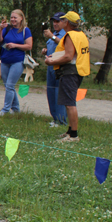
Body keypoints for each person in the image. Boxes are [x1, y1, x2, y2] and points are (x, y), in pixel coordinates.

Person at [44, 11, 89, 142]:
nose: (60, 22)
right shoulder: (81, 35)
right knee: (68, 102)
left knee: (69, 104)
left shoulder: (70, 36)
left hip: (70, 72)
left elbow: (68, 56)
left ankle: (74, 135)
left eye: (63, 20)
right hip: (78, 70)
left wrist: (51, 62)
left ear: (67, 23)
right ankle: (69, 131)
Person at [0, 9, 33, 115]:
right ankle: (16, 109)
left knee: (10, 85)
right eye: (11, 17)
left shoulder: (26, 30)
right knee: (8, 86)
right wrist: (0, 29)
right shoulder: (7, 29)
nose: (13, 19)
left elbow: (29, 46)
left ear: (21, 18)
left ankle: (5, 109)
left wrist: (15, 45)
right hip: (5, 60)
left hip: (17, 61)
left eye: (15, 17)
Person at [43, 12, 67, 127]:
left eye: (58, 21)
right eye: (54, 21)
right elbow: (54, 48)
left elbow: (64, 45)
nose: (55, 24)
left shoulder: (66, 34)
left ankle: (61, 120)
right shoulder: (55, 34)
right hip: (51, 66)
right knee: (51, 92)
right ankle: (54, 118)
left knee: (59, 93)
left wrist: (52, 36)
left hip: (61, 67)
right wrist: (46, 51)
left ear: (64, 22)